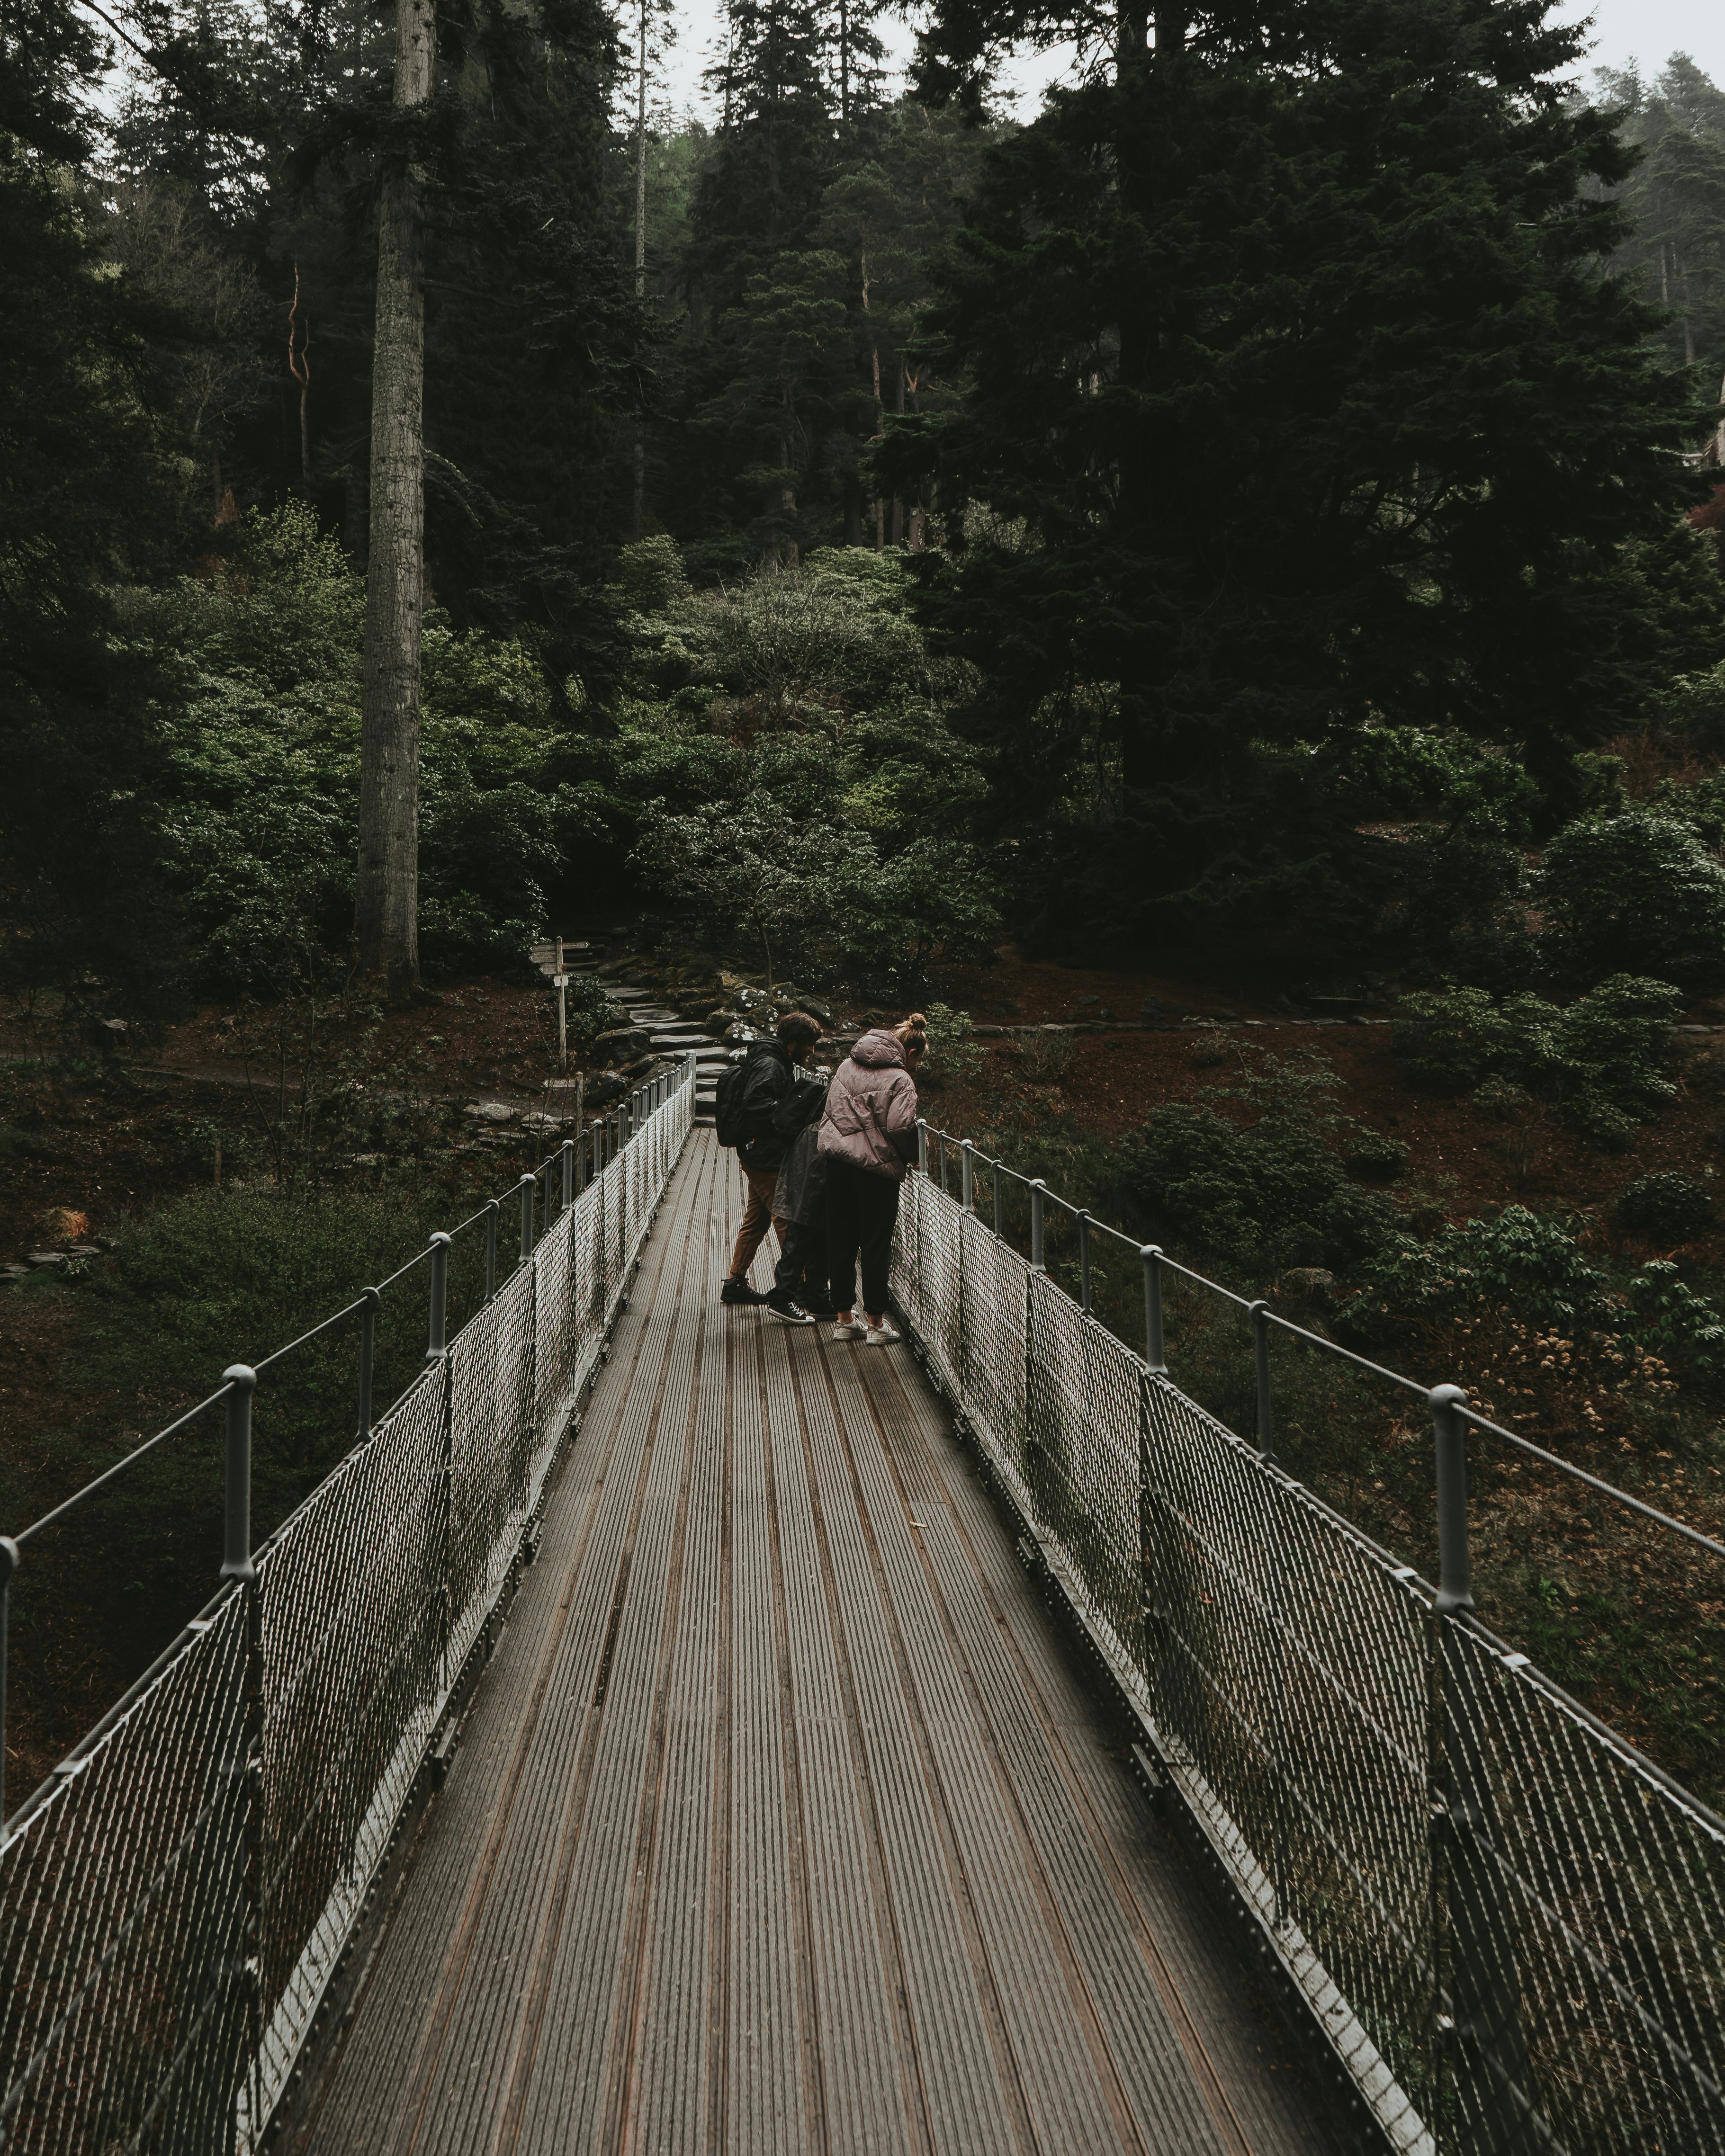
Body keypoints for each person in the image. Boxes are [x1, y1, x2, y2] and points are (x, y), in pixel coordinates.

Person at [818, 1012, 925, 1345]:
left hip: (837, 1165)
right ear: (911, 1053)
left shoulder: (846, 1066)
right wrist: (913, 1156)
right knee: (876, 1244)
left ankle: (845, 1320)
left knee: (841, 1238)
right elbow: (900, 1127)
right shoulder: (901, 1079)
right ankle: (877, 1324)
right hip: (876, 1172)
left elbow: (831, 1109)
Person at [718, 1009, 824, 1306]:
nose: (812, 1050)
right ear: (794, 1042)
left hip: (758, 1154)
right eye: (810, 1044)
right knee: (786, 1217)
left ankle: (735, 1281)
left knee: (758, 1217)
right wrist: (793, 1112)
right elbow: (757, 1104)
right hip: (765, 1157)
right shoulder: (771, 1064)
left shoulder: (774, 1060)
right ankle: (799, 1288)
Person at [766, 1072, 834, 1323]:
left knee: (819, 1225)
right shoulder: (867, 1074)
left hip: (816, 1147)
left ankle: (814, 1295)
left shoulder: (852, 1069)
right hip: (819, 1152)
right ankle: (783, 1296)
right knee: (804, 1223)